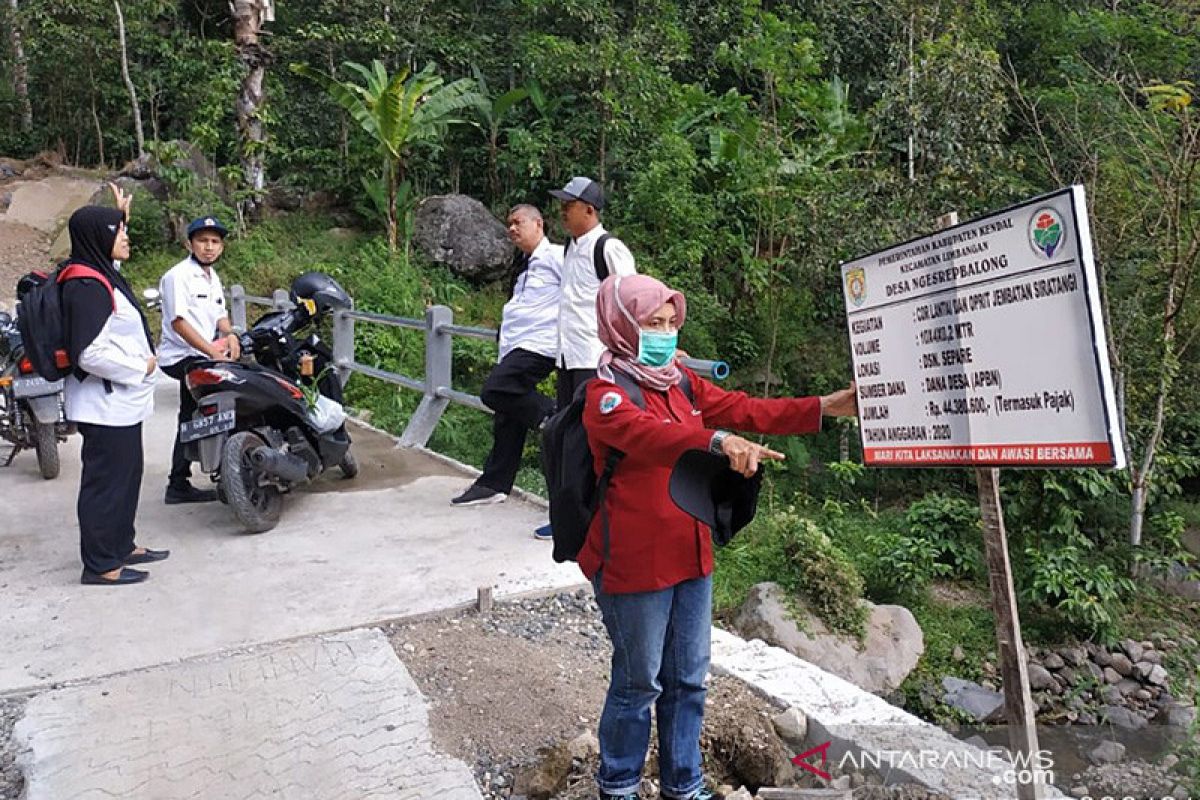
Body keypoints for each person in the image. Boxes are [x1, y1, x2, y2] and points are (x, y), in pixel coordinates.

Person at [579, 274, 857, 800]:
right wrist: (716, 439)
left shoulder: (681, 381)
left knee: (688, 680)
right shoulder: (606, 395)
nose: (664, 333)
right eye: (650, 324)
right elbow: (650, 437)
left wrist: (822, 407)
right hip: (633, 562)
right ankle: (617, 785)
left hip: (691, 552)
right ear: (620, 326)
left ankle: (684, 785)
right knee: (639, 684)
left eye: (669, 323)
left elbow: (746, 408)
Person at [62, 187, 168, 586]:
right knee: (105, 484)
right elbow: (89, 353)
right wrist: (140, 365)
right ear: (98, 237)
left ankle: (122, 544)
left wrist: (120, 215)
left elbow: (113, 301)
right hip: (103, 406)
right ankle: (101, 563)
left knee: (126, 477)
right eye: (118, 231)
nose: (126, 237)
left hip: (118, 405)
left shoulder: (100, 274)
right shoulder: (85, 286)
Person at [451, 204, 563, 511]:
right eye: (509, 224)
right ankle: (493, 484)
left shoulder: (557, 256)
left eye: (518, 222)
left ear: (538, 224)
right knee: (507, 420)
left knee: (495, 390)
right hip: (514, 347)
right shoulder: (524, 264)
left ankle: (556, 416)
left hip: (539, 346)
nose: (511, 228)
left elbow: (589, 290)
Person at [157, 216, 240, 504]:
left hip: (203, 353)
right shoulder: (176, 277)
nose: (209, 247)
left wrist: (230, 334)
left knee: (203, 410)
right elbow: (179, 323)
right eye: (203, 241)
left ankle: (189, 477)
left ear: (222, 247)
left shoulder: (212, 277)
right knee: (194, 412)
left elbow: (220, 315)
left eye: (215, 242)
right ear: (189, 243)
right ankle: (180, 482)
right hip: (181, 355)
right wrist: (213, 353)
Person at [548, 176, 636, 409]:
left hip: (594, 356)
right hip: (567, 355)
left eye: (569, 205)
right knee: (567, 426)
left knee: (588, 429)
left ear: (589, 209)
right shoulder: (570, 247)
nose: (562, 211)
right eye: (562, 205)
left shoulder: (608, 247)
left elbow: (632, 300)